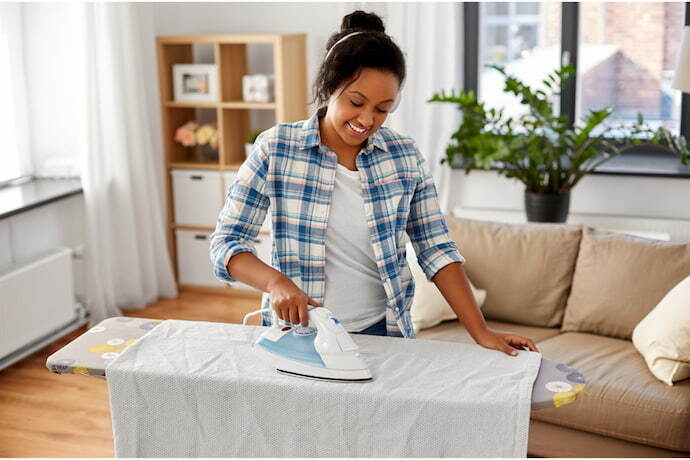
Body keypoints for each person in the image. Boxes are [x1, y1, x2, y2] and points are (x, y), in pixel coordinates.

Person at [210, 10, 539, 356]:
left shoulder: (403, 157)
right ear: (328, 86)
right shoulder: (277, 148)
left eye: (383, 108)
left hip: (383, 334)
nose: (368, 120)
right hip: (297, 334)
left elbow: (436, 248)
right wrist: (275, 283)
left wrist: (481, 330)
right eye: (356, 102)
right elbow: (227, 243)